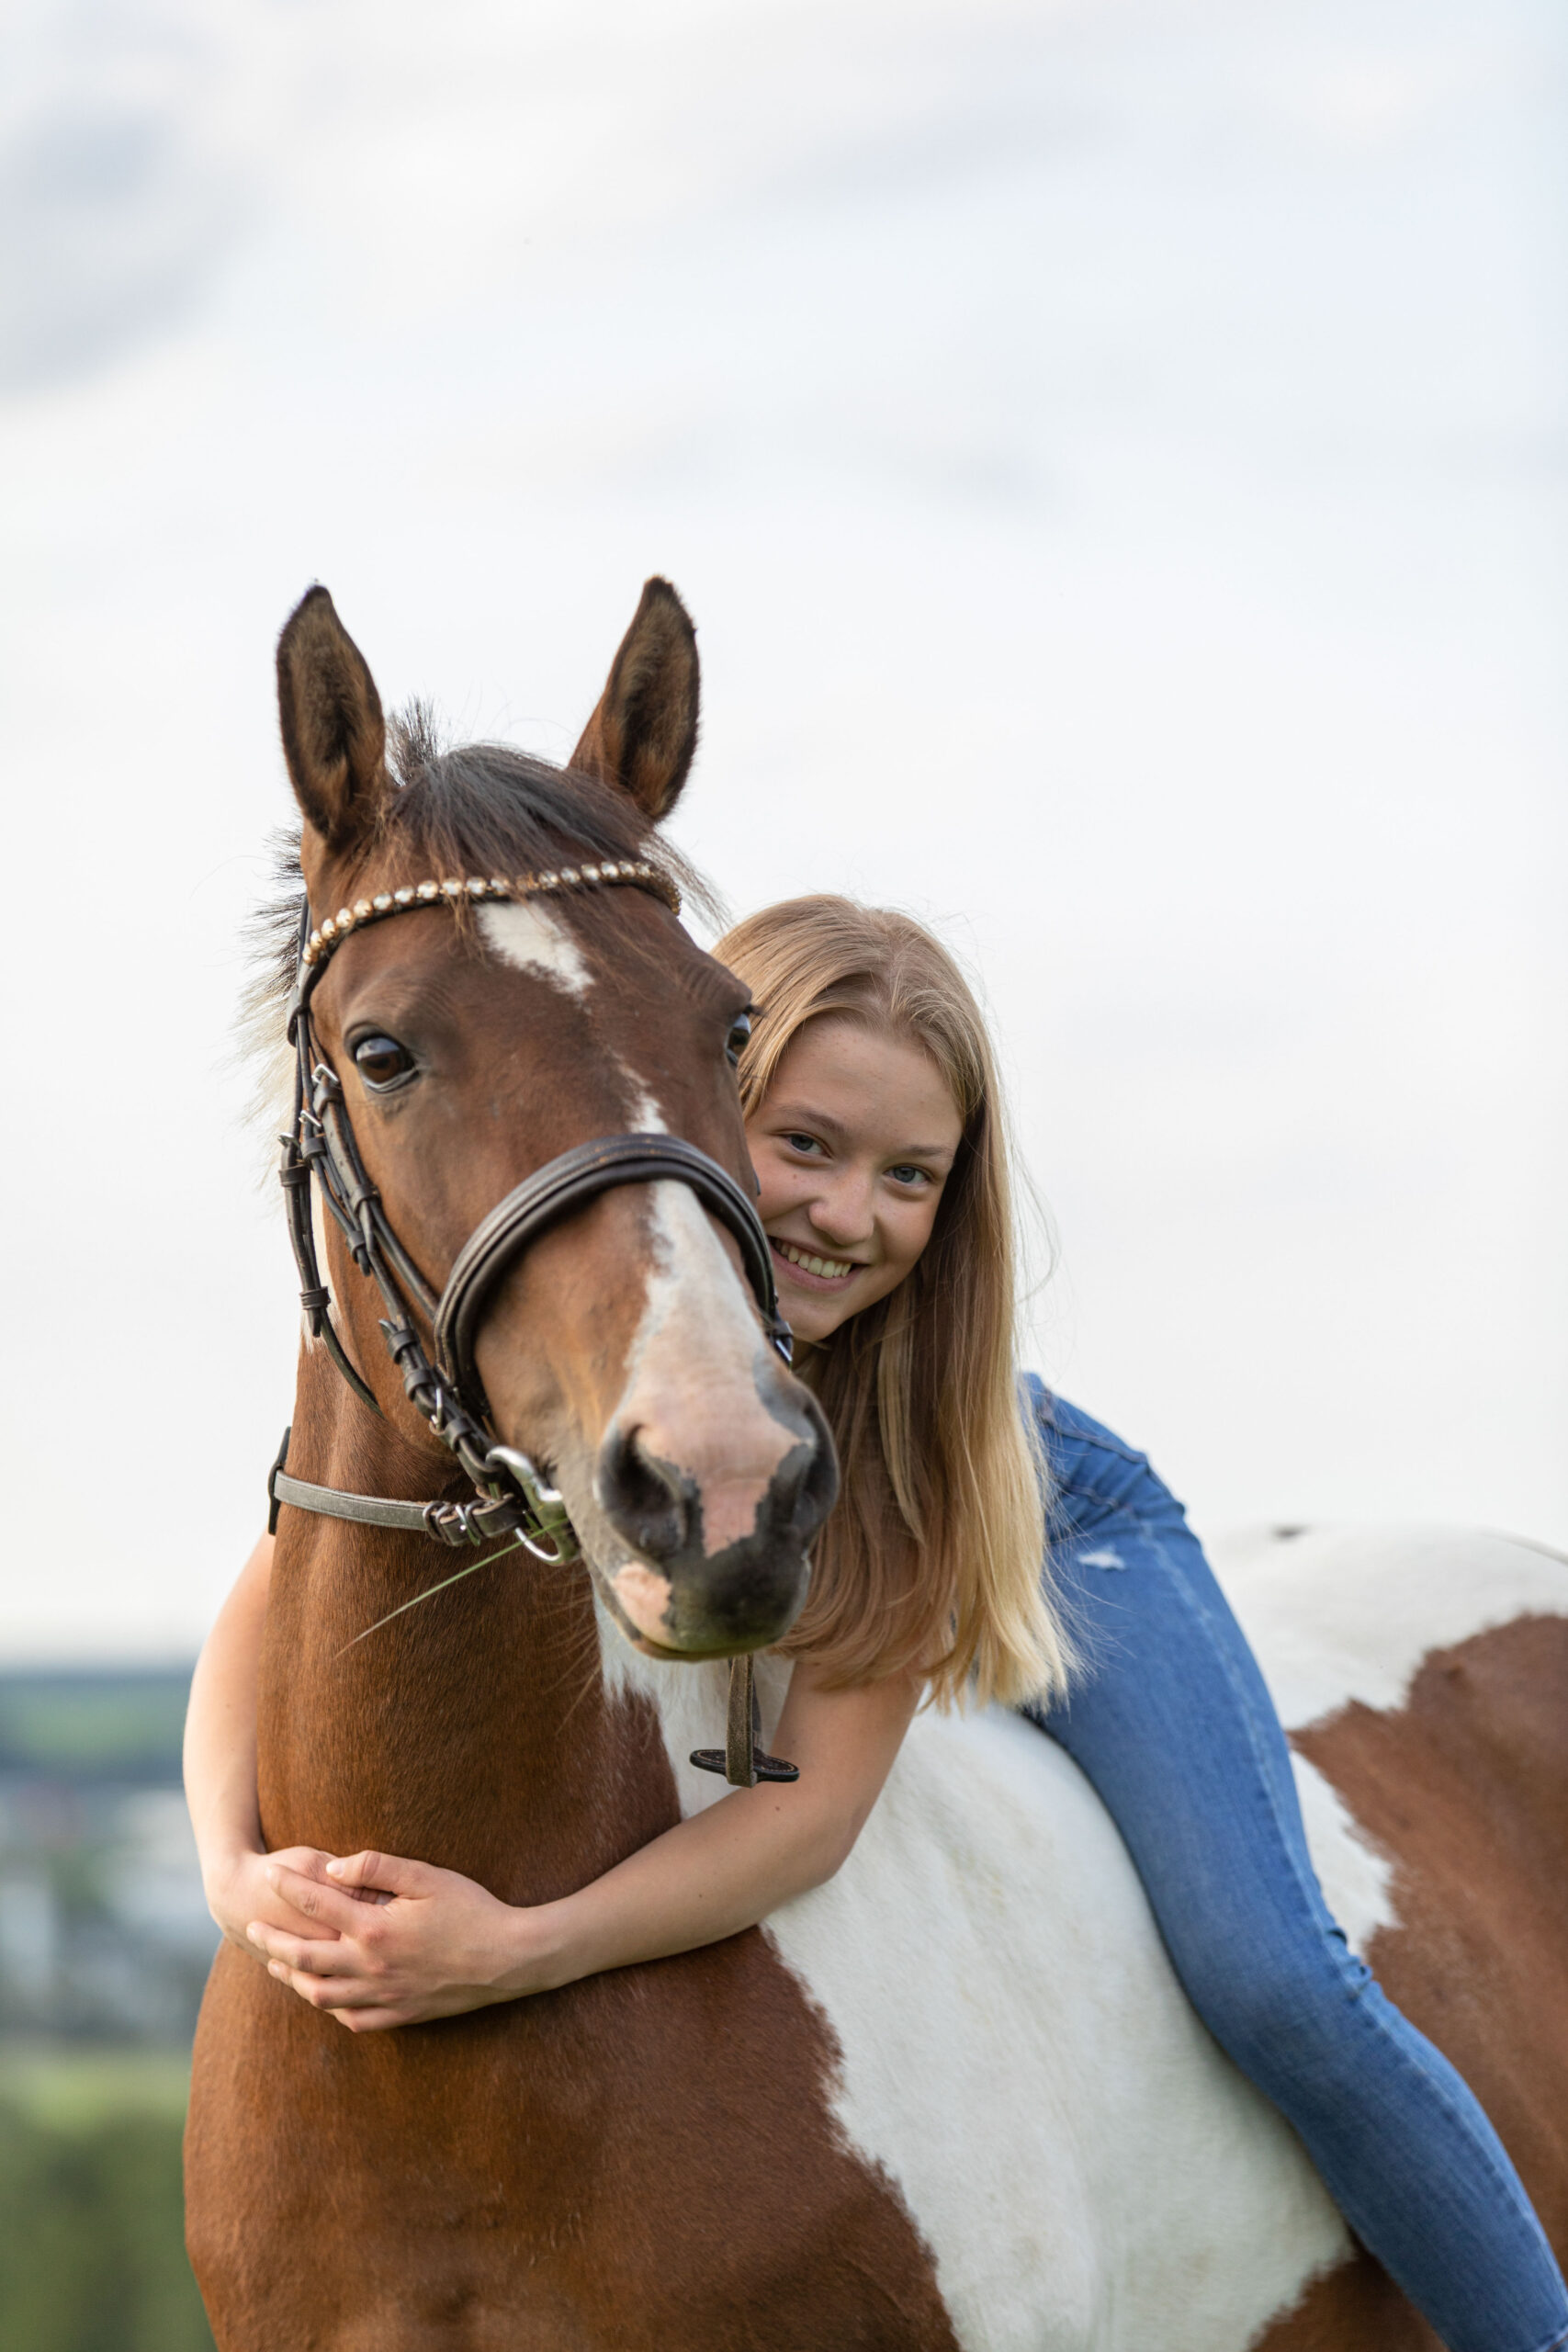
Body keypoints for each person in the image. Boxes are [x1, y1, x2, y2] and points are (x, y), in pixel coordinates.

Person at [186, 894, 1567, 2352]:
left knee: (1277, 1978)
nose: (850, 1215)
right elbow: (294, 1578)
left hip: (1061, 1521)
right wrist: (232, 1870)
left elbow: (810, 1817)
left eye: (911, 1175)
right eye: (805, 1147)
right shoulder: (593, 1339)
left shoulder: (910, 1418)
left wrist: (520, 1946)